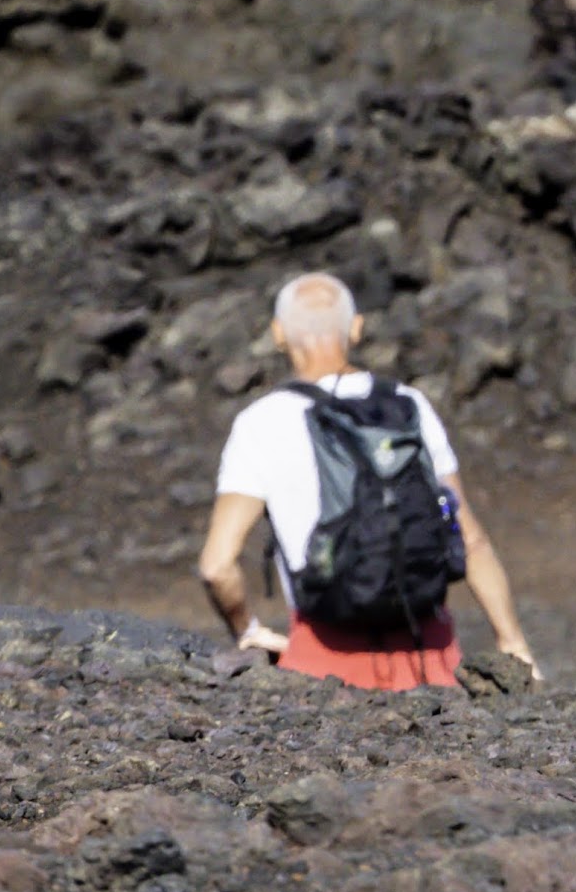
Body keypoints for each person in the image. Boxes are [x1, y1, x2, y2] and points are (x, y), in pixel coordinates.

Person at [198, 272, 542, 689]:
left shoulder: (260, 423)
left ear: (278, 334)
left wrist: (246, 628)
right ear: (356, 328)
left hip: (324, 659)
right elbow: (469, 540)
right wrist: (513, 644)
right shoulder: (407, 405)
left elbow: (217, 566)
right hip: (430, 654)